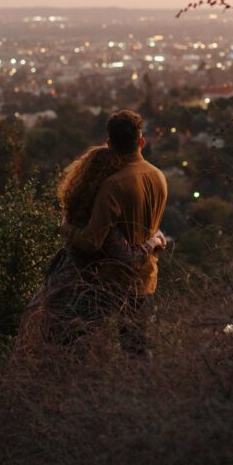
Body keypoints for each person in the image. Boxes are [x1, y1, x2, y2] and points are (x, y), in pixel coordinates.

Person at [60, 109, 169, 357]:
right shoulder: (159, 176)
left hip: (114, 282)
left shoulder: (113, 185)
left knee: (73, 338)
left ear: (109, 144)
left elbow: (91, 240)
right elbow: (148, 225)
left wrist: (65, 226)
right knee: (136, 348)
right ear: (141, 141)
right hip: (146, 278)